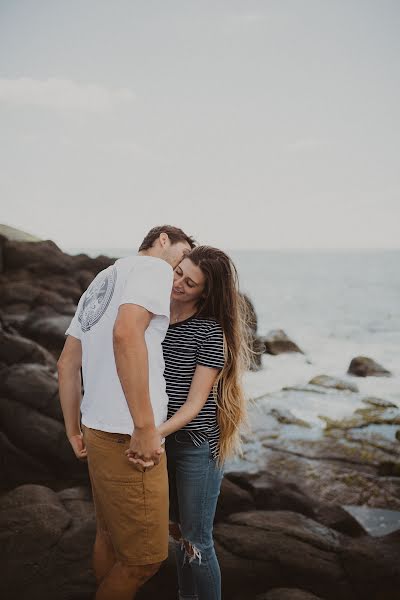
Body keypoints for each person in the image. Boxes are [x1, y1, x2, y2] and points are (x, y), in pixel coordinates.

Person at [57, 225, 195, 600]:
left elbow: (68, 362)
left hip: (96, 428)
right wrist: (146, 426)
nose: (182, 267)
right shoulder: (153, 269)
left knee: (110, 538)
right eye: (183, 254)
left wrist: (72, 429)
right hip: (128, 434)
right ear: (164, 239)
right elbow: (125, 334)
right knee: (144, 561)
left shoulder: (103, 278)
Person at [127, 246, 251, 600]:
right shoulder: (154, 316)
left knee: (198, 539)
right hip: (161, 440)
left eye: (189, 282)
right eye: (178, 272)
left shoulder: (210, 332)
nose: (177, 282)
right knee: (178, 533)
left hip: (195, 444)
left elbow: (195, 403)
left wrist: (151, 434)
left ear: (205, 292)